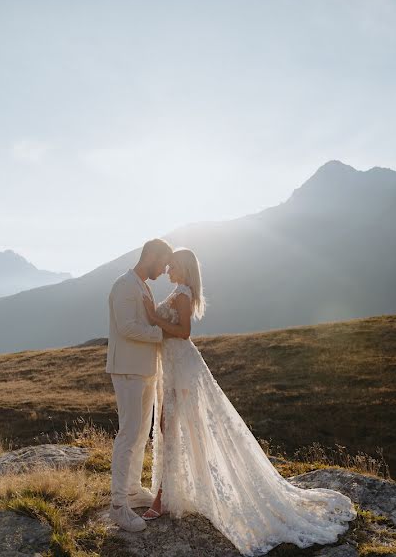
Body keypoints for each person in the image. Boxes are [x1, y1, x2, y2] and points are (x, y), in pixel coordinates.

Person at [141, 247, 356, 555]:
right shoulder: (178, 292)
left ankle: (162, 499)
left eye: (173, 265)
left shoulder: (184, 295)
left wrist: (152, 317)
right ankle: (176, 491)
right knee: (170, 427)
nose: (168, 269)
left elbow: (184, 333)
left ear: (185, 270)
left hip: (182, 368)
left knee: (170, 427)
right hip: (173, 367)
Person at [105, 238, 173, 532]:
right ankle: (118, 506)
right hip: (128, 370)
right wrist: (162, 334)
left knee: (141, 433)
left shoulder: (143, 285)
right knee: (129, 434)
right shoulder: (123, 285)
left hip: (145, 371)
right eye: (163, 262)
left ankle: (132, 490)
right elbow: (126, 327)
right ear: (151, 257)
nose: (165, 268)